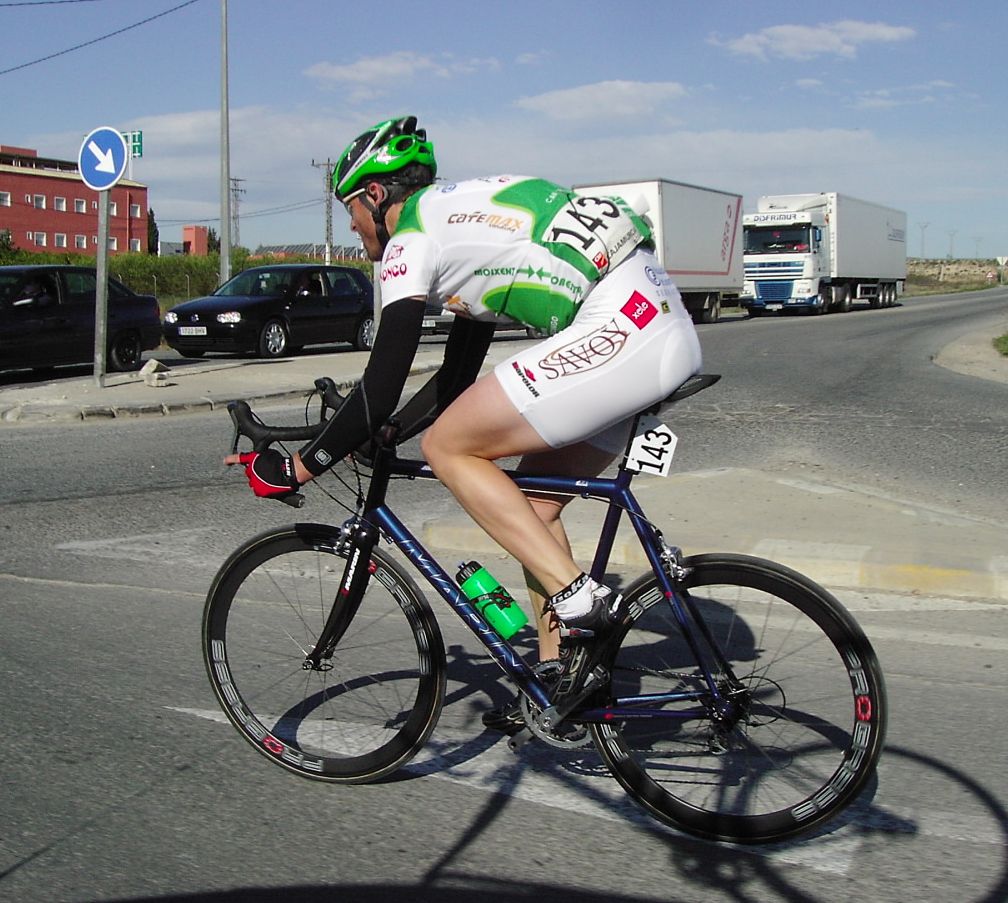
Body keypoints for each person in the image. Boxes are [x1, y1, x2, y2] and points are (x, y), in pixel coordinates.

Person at [227, 115, 702, 732]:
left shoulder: (411, 239)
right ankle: (560, 680)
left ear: (376, 195)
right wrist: (387, 430)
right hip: (657, 323)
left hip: (621, 327)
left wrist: (300, 466)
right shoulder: (462, 221)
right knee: (534, 509)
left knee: (449, 448)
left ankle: (585, 599)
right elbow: (454, 376)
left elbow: (383, 378)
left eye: (350, 209)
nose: (352, 226)